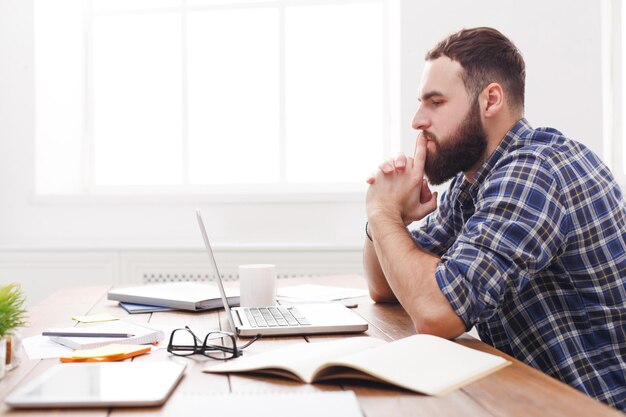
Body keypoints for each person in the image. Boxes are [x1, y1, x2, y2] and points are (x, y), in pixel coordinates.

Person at [364, 27, 626, 411]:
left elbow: (436, 312)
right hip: (530, 400)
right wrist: (385, 220)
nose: (417, 120)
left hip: (591, 407)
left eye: (435, 102)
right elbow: (386, 288)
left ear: (490, 100)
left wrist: (382, 212)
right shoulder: (472, 184)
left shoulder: (533, 172)